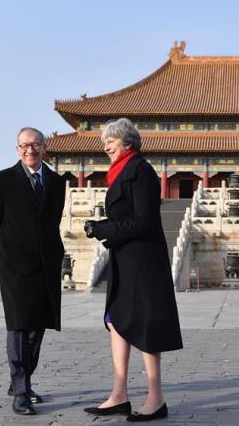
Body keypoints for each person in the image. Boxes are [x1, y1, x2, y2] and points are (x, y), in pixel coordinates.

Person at [82, 118, 182, 421]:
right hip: (123, 258)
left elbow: (144, 221)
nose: (105, 147)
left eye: (110, 141)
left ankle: (156, 399)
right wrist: (102, 227)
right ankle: (119, 394)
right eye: (104, 143)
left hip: (143, 261)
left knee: (145, 324)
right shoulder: (119, 172)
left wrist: (103, 228)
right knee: (116, 321)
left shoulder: (141, 171)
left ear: (126, 141)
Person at [0, 127, 66, 415]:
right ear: (17, 149)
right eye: (24, 145)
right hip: (16, 267)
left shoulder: (56, 182)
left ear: (44, 147)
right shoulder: (2, 180)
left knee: (38, 325)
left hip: (46, 264)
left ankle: (21, 380)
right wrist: (7, 255)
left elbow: (52, 222)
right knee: (19, 325)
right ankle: (20, 392)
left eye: (35, 144)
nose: (30, 150)